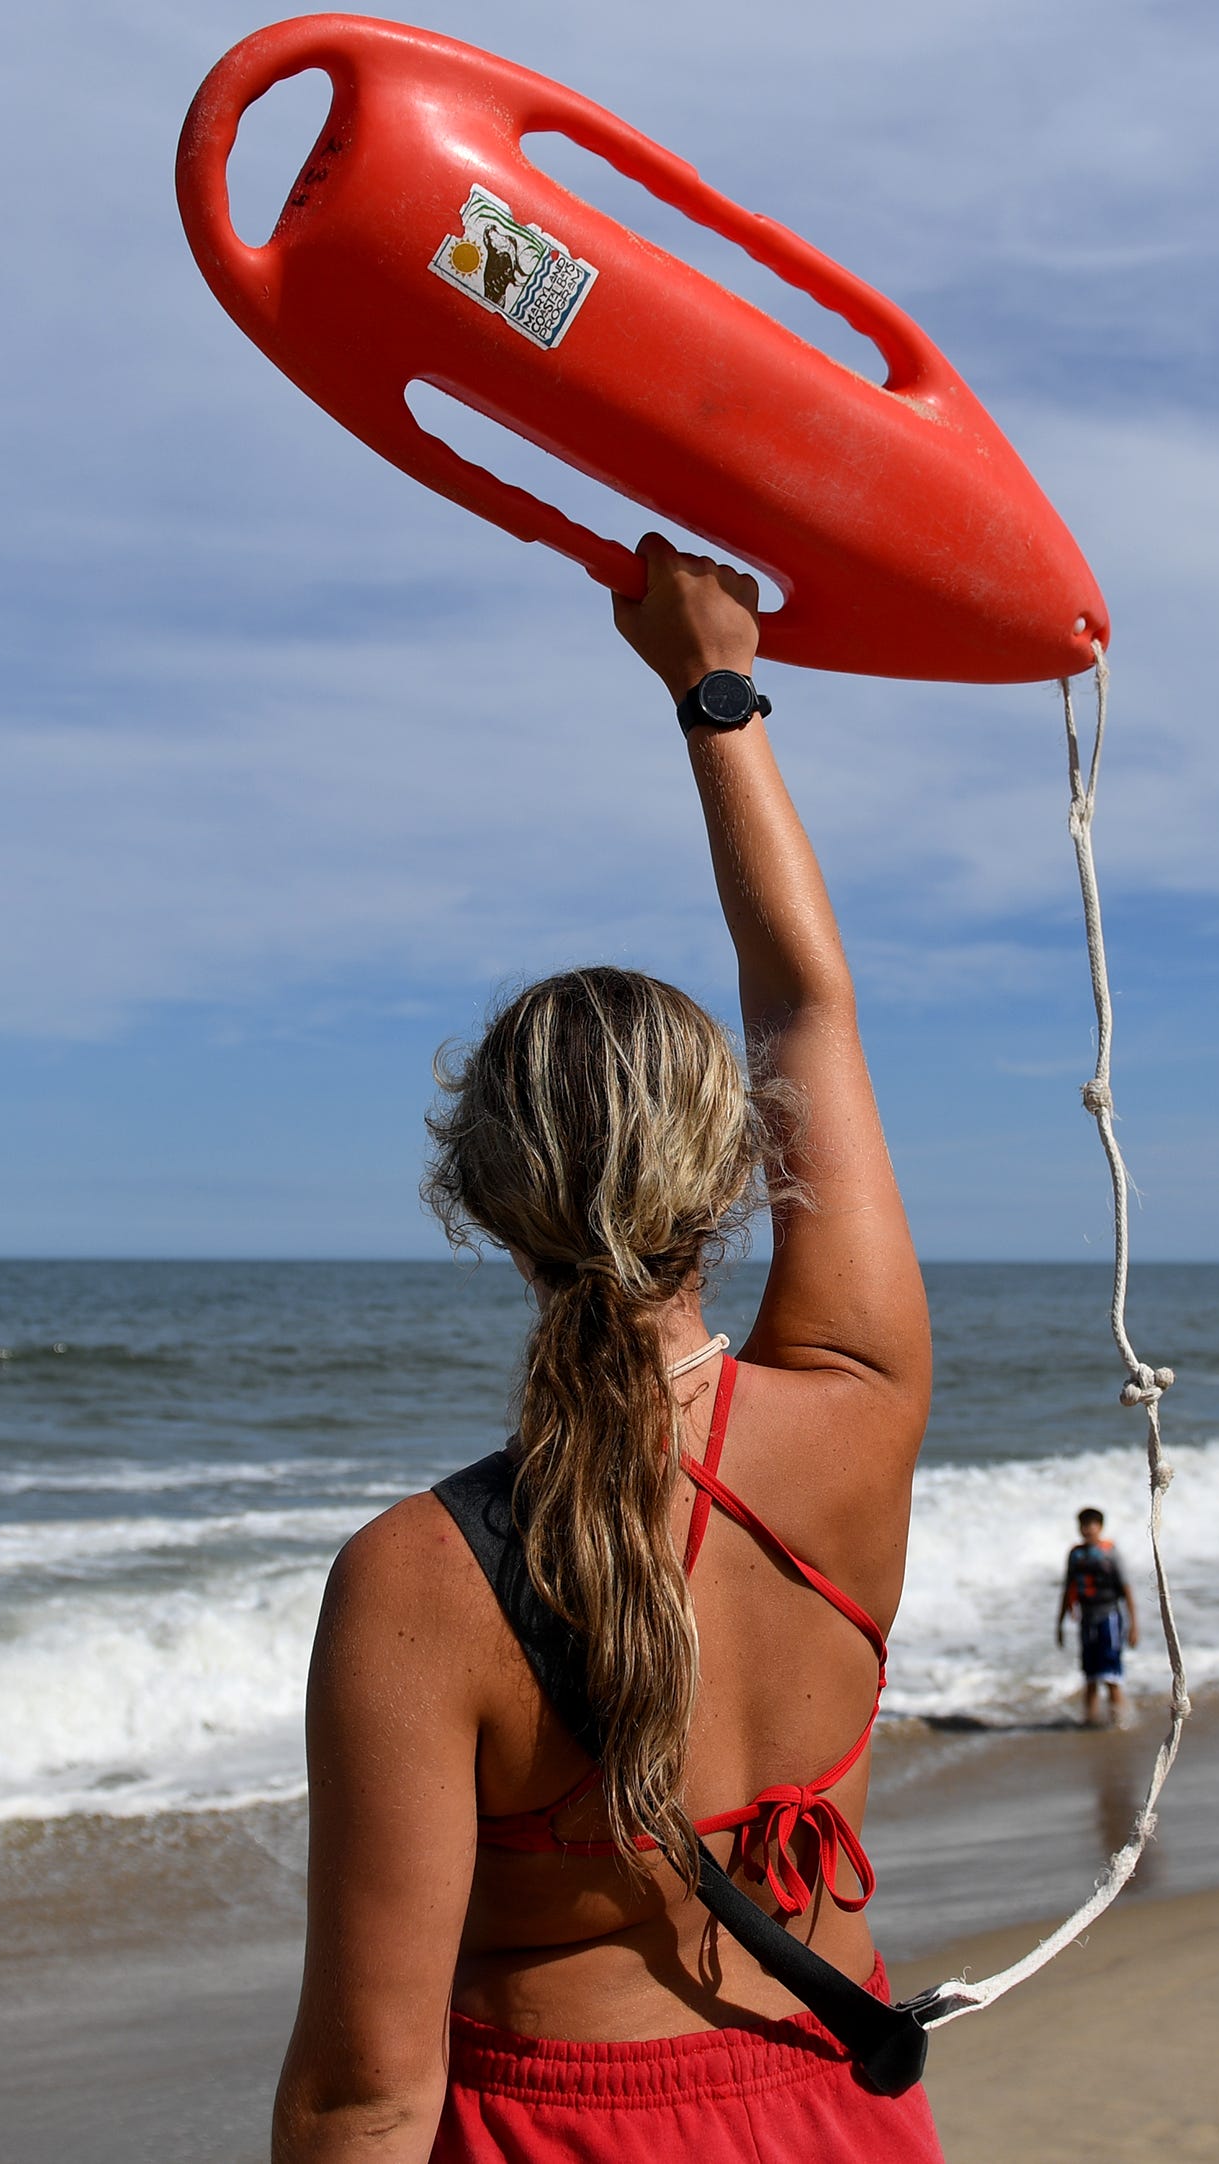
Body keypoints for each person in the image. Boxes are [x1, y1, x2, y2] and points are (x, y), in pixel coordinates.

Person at [270, 537, 943, 2161]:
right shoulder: (856, 1406)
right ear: (736, 1171)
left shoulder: (421, 1581)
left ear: (487, 1204)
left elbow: (368, 2087)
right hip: (832, 2111)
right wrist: (715, 690)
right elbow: (810, 1008)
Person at [1056, 1506, 1139, 1728]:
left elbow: (1127, 1589)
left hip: (1109, 1616)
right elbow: (1067, 1588)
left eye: (1091, 1525)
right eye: (1083, 1525)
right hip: (1086, 1619)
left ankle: (1119, 1721)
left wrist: (1133, 1625)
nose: (1087, 1529)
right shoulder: (1076, 1555)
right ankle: (1089, 1721)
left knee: (1111, 1674)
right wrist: (1059, 1624)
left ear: (1100, 1527)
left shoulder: (1110, 1553)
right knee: (1090, 1676)